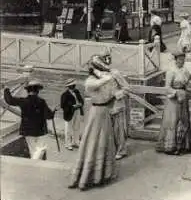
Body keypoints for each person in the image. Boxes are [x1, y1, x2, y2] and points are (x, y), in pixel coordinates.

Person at [68, 55, 123, 191]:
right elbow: (107, 79)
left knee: (105, 141)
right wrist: (101, 72)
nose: (103, 70)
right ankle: (88, 177)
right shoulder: (90, 82)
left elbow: (114, 92)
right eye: (101, 68)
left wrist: (119, 93)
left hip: (105, 112)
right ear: (95, 70)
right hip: (96, 112)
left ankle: (102, 175)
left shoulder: (104, 81)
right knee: (93, 141)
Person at [157, 51, 191, 155]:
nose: (182, 61)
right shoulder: (171, 71)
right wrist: (176, 92)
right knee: (173, 120)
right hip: (173, 99)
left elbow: (190, 78)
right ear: (175, 60)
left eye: (183, 59)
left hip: (182, 98)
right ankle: (171, 146)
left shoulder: (184, 70)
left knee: (184, 120)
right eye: (180, 59)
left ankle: (184, 145)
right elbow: (167, 88)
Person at [3, 80, 56, 159]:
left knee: (33, 150)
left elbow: (9, 100)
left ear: (28, 91)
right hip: (41, 130)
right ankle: (37, 162)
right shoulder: (42, 102)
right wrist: (54, 111)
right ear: (37, 91)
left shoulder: (23, 101)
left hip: (28, 130)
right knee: (41, 149)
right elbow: (49, 116)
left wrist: (6, 89)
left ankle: (34, 162)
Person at [60, 78, 84, 151]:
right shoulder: (64, 94)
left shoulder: (77, 91)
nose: (74, 86)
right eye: (72, 85)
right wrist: (73, 106)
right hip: (69, 113)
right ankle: (68, 144)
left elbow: (81, 101)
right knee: (68, 129)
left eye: (74, 85)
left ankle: (76, 142)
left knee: (77, 127)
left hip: (77, 111)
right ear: (69, 86)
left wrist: (80, 104)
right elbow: (63, 105)